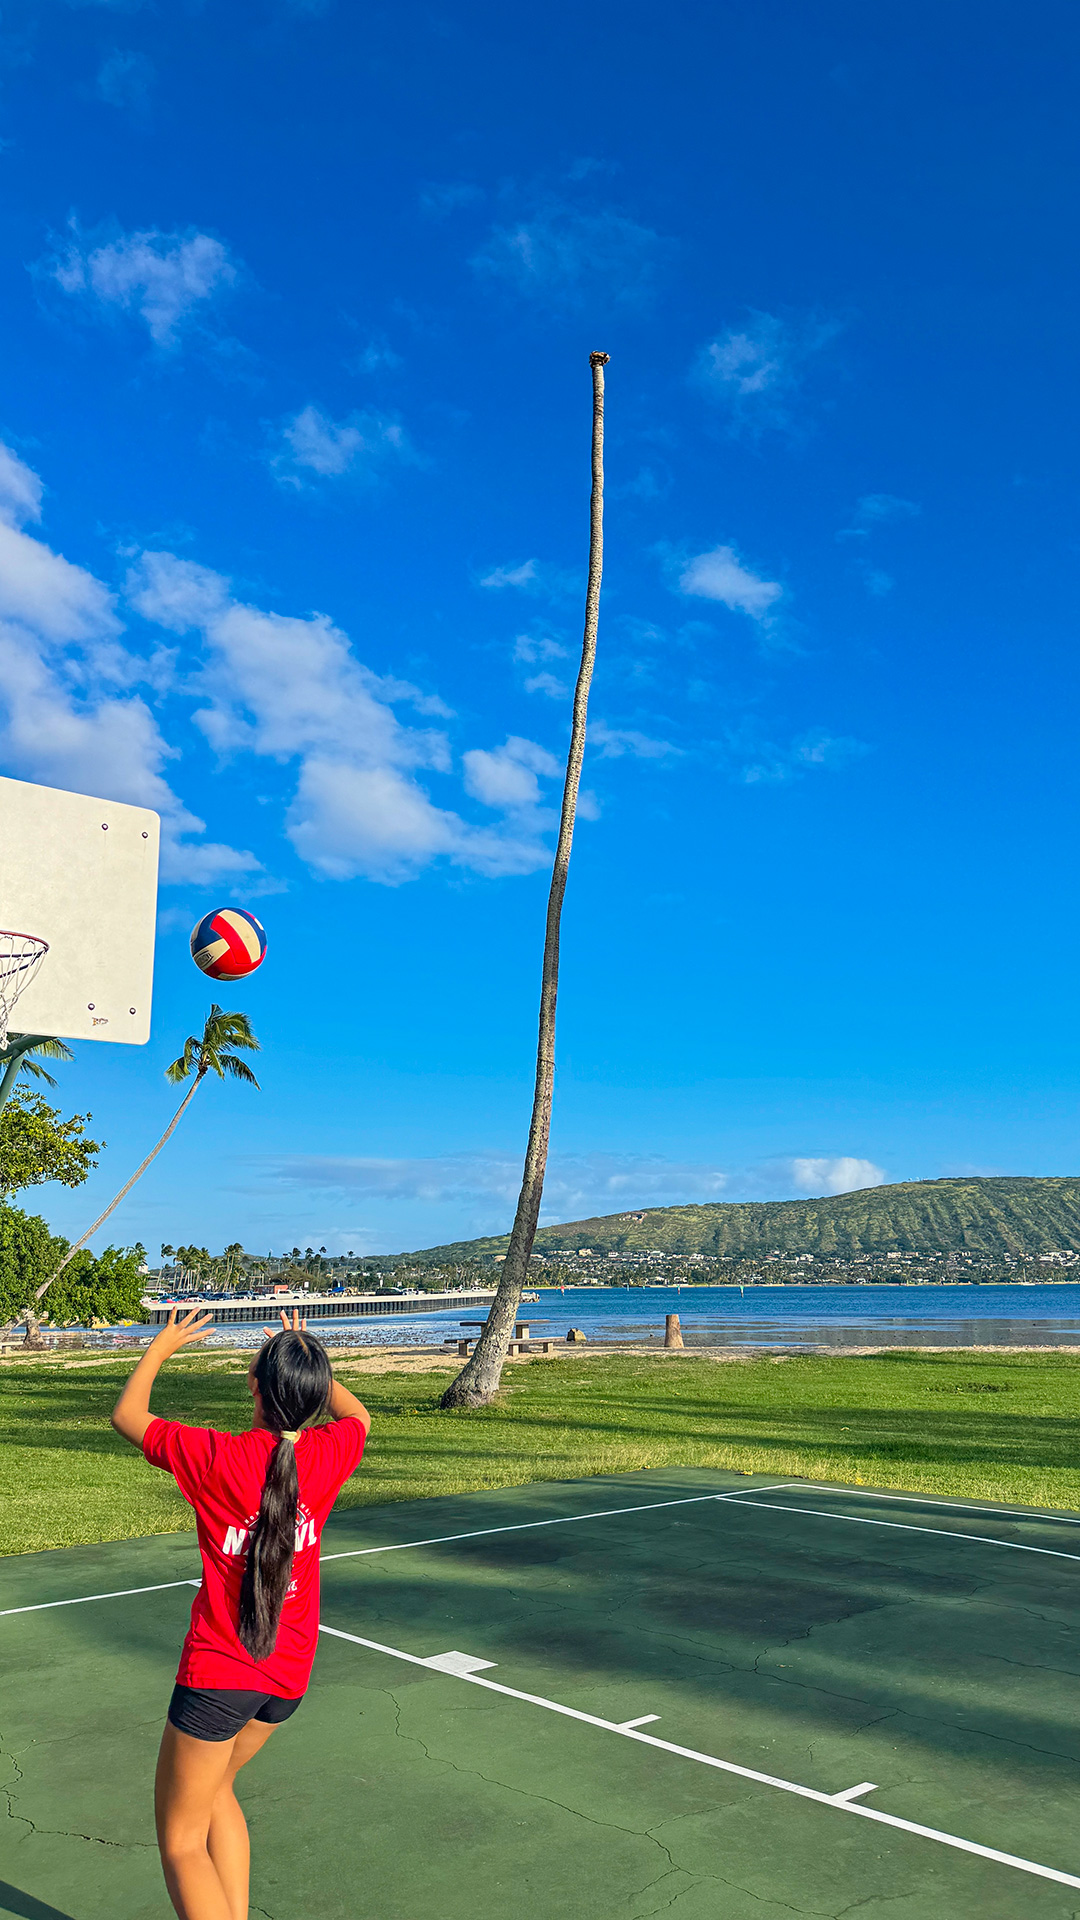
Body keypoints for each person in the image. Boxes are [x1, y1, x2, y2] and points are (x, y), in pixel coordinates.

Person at [111, 1304, 370, 1920]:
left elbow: (127, 1416)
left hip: (221, 1676)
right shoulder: (331, 1452)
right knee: (218, 1789)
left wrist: (162, 1346)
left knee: (180, 1841)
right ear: (309, 1397)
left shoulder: (215, 1455)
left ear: (254, 1384)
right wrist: (305, 1355)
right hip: (288, 1676)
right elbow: (356, 1414)